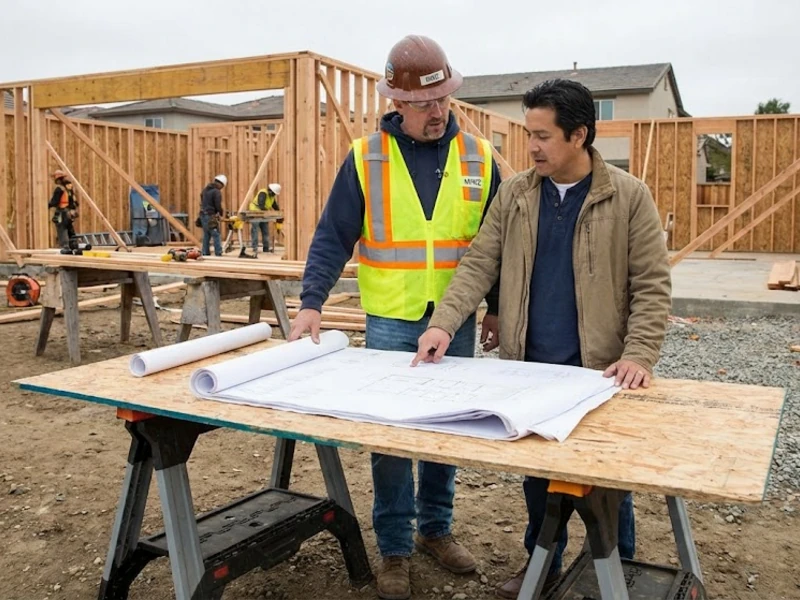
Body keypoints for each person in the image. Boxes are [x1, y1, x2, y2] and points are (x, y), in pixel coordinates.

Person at [411, 79, 672, 599]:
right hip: (529, 367)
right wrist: (443, 322)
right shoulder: (516, 194)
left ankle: (613, 574)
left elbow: (652, 283)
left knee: (604, 487)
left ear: (579, 135)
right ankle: (542, 567)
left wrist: (639, 353)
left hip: (599, 372)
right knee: (537, 480)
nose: (531, 147)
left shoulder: (627, 196)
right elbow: (480, 263)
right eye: (528, 135)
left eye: (542, 136)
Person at [288, 34, 502, 600]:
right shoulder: (367, 158)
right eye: (425, 104)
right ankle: (395, 548)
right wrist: (312, 302)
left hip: (454, 321)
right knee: (390, 438)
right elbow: (333, 235)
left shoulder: (479, 157)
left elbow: (497, 243)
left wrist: (498, 308)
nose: (438, 112)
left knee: (447, 429)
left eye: (444, 100)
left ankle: (436, 529)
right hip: (390, 320)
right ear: (397, 103)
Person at [48, 170, 79, 249]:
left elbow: (55, 201)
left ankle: (65, 247)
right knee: (70, 229)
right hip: (69, 211)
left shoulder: (59, 188)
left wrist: (47, 205)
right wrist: (73, 209)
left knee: (61, 229)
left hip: (62, 211)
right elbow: (73, 200)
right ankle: (74, 245)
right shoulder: (69, 186)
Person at [248, 182, 281, 253]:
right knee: (255, 231)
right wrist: (270, 213)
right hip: (255, 213)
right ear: (270, 190)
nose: (274, 195)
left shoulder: (271, 196)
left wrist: (279, 213)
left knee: (265, 231)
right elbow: (261, 205)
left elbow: (275, 206)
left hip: (263, 214)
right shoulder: (263, 193)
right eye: (274, 193)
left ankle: (266, 248)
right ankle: (255, 248)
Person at [199, 174, 226, 256]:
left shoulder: (205, 190)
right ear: (221, 184)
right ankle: (218, 252)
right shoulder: (216, 191)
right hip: (210, 215)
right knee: (216, 234)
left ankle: (205, 252)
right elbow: (218, 204)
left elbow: (201, 198)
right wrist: (221, 213)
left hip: (203, 215)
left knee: (206, 234)